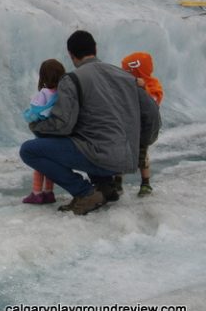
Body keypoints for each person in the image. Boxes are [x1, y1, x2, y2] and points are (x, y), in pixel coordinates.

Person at [19, 31, 161, 215]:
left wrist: (36, 127)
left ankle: (85, 192)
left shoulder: (72, 79)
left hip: (99, 156)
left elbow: (63, 125)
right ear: (95, 49)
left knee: (29, 150)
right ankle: (105, 187)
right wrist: (140, 144)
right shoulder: (125, 77)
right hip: (126, 157)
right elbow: (152, 114)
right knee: (91, 135)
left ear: (71, 55)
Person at [116, 52, 164, 197]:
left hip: (143, 129)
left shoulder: (153, 84)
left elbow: (154, 101)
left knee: (142, 156)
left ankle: (145, 183)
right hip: (127, 127)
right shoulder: (127, 85)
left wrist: (143, 89)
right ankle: (117, 182)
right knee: (120, 154)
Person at [22, 59, 66, 204]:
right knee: (50, 163)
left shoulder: (44, 92)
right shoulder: (63, 93)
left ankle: (36, 193)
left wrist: (29, 117)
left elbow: (34, 112)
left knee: (39, 163)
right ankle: (49, 192)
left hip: (43, 133)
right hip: (56, 134)